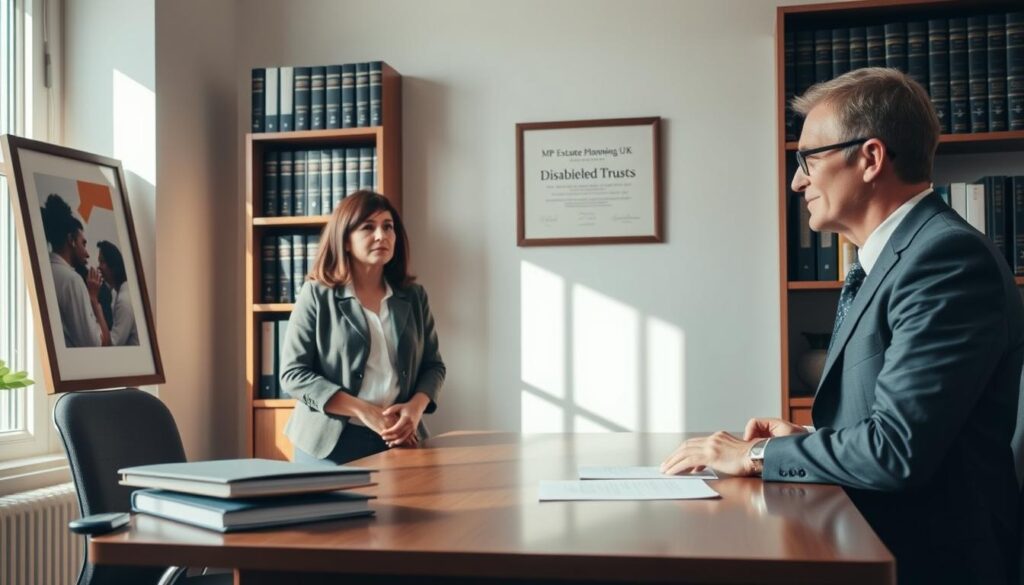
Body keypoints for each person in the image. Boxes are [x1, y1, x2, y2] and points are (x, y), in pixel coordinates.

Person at [660, 68, 1023, 585]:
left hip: (924, 557)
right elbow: (897, 420)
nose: (797, 180)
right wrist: (806, 436)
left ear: (871, 158)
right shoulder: (901, 257)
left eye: (809, 158)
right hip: (870, 535)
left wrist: (758, 454)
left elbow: (897, 452)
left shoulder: (944, 259)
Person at [280, 190, 445, 465]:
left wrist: (415, 409)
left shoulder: (413, 296)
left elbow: (434, 366)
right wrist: (364, 411)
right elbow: (293, 374)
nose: (382, 235)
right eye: (368, 227)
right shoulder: (317, 295)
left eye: (388, 226)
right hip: (330, 443)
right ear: (345, 241)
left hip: (399, 437)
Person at [40, 194, 111, 347]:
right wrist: (94, 300)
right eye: (83, 243)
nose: (87, 252)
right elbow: (95, 343)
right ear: (71, 240)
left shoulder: (44, 272)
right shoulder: (72, 280)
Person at [96, 240, 139, 345]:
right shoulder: (119, 293)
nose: (99, 267)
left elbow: (111, 344)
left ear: (113, 265)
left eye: (102, 262)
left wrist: (95, 303)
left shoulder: (124, 300)